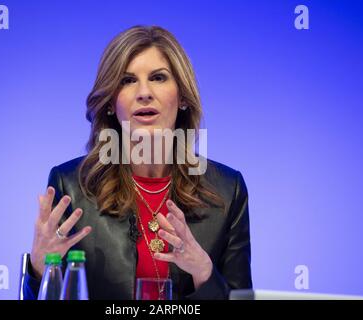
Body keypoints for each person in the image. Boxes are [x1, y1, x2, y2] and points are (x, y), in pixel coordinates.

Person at [23, 25, 252, 300]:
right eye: (127, 80)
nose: (144, 92)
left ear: (181, 98)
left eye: (158, 78)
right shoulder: (71, 186)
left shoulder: (228, 190)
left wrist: (204, 271)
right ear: (110, 102)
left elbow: (242, 296)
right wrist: (38, 271)